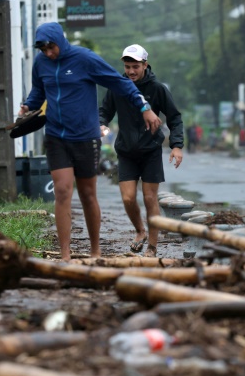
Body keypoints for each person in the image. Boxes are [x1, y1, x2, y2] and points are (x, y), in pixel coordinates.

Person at [19, 23, 162, 261]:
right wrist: (28, 106)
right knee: (63, 191)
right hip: (56, 136)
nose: (48, 53)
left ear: (60, 41)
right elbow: (38, 93)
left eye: (51, 47)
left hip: (85, 137)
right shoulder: (40, 62)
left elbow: (120, 82)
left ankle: (95, 251)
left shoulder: (84, 59)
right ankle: (65, 256)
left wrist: (144, 107)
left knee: (87, 194)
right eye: (42, 49)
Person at [99, 44, 184, 258]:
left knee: (149, 198)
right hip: (126, 150)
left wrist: (176, 145)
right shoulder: (117, 86)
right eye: (127, 67)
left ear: (145, 65)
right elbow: (104, 111)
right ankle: (140, 231)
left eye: (135, 66)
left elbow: (174, 117)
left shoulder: (157, 88)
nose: (131, 71)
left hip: (151, 150)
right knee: (128, 198)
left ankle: (153, 247)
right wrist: (101, 124)